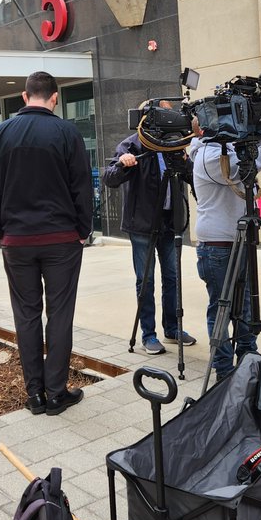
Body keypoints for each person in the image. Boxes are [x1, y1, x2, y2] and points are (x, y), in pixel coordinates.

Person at [0, 70, 93, 415]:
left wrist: (1, 228)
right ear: (55, 98)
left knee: (26, 314)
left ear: (24, 96)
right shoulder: (66, 132)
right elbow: (82, 187)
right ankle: (56, 392)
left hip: (17, 240)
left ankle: (36, 395)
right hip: (61, 238)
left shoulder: (0, 134)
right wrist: (82, 228)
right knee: (59, 315)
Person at [188, 110, 261, 382]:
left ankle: (248, 357)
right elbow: (241, 168)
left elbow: (247, 159)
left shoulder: (224, 149)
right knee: (222, 307)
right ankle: (224, 370)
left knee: (244, 306)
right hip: (218, 246)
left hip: (238, 240)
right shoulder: (208, 154)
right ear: (205, 130)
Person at [102, 102, 196, 355]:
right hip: (142, 224)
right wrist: (123, 163)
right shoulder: (132, 144)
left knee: (172, 277)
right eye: (163, 114)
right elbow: (109, 177)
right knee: (145, 281)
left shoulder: (174, 143)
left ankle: (173, 329)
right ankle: (148, 334)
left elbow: (192, 176)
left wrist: (185, 159)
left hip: (170, 221)